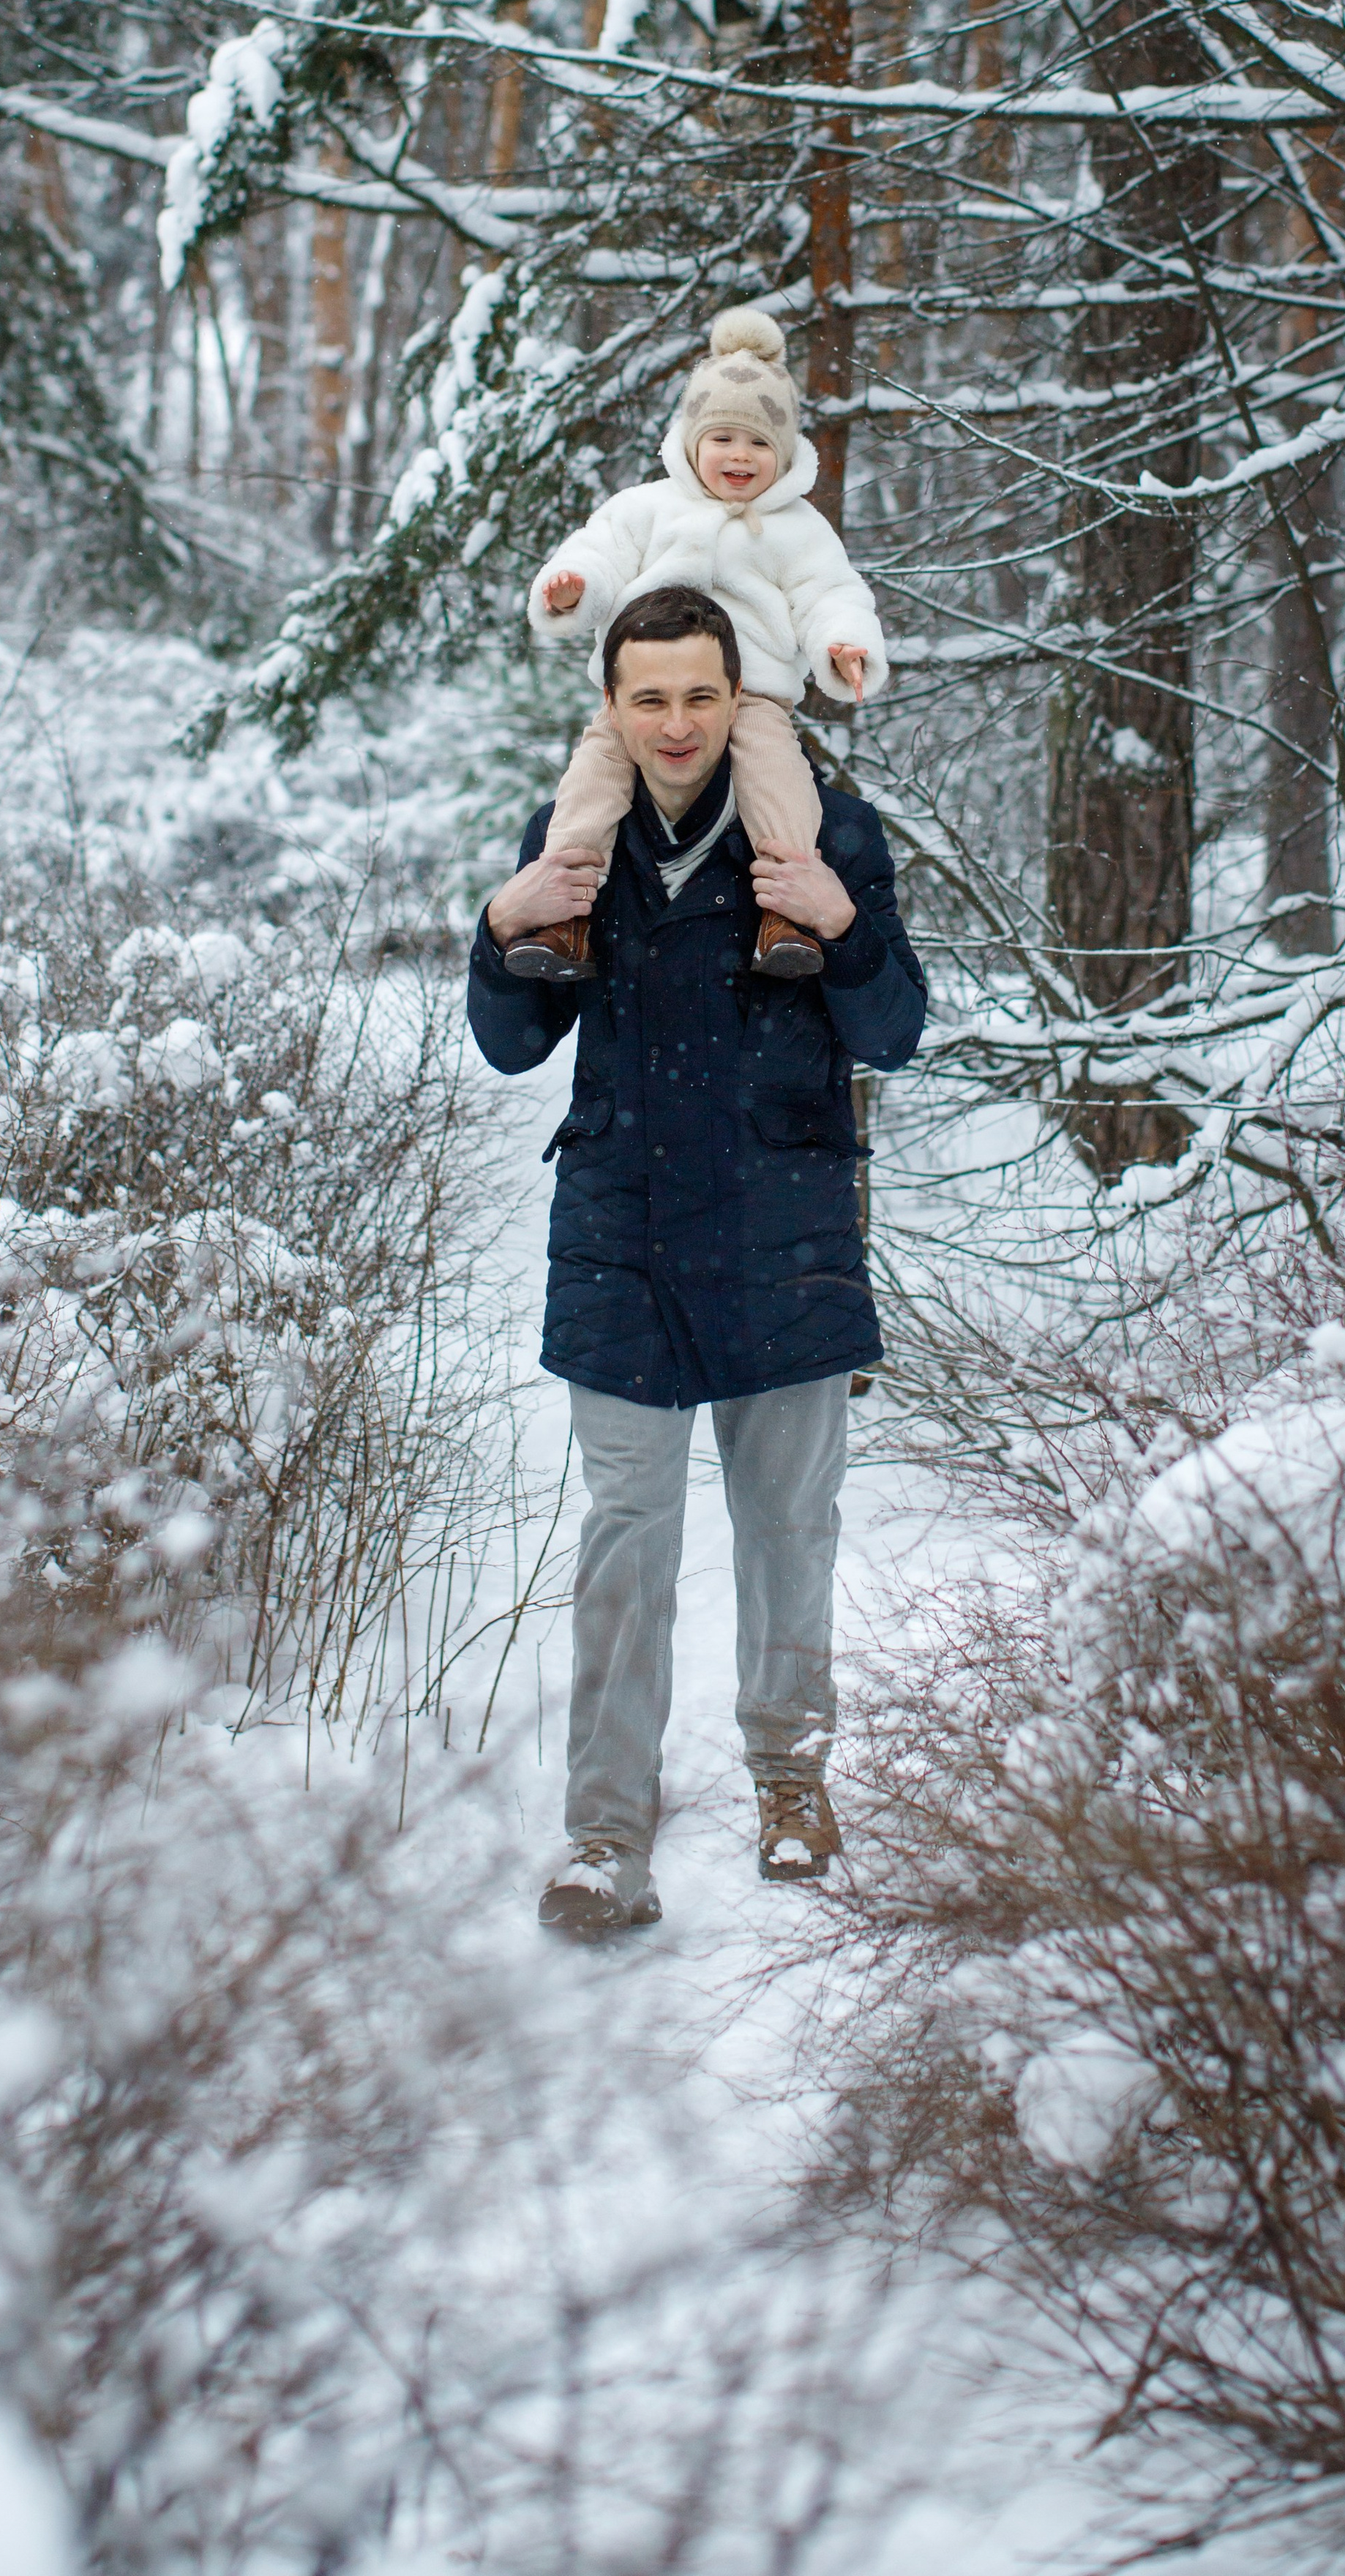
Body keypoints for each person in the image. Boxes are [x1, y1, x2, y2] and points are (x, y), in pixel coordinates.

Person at [466, 583, 926, 1937]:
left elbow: (896, 1031)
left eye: (700, 694)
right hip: (620, 1238)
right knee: (626, 1544)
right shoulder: (576, 837)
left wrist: (842, 924)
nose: (676, 722)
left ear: (743, 699)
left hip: (786, 1231)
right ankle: (607, 1836)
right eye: (648, 697)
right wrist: (506, 926)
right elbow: (509, 1046)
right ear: (610, 708)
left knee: (789, 1533)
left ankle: (792, 1779)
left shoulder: (825, 831)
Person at [510, 306, 887, 984]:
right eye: (723, 438)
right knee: (593, 779)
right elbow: (599, 553)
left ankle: (788, 910)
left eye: (759, 443)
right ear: (690, 442)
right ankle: (563, 914)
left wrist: (844, 644)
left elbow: (829, 593)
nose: (740, 456)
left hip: (753, 698)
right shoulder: (647, 507)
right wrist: (573, 588)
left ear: (787, 454)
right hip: (643, 696)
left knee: (777, 777)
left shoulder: (797, 529)